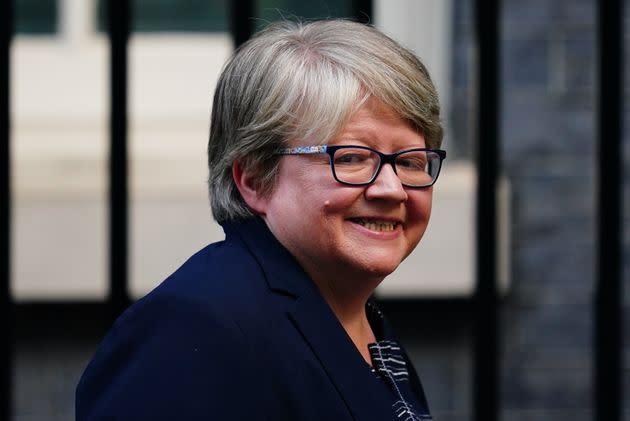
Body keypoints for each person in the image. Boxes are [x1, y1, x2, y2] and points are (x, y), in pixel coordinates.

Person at [76, 18, 445, 420]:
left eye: (409, 161)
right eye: (352, 158)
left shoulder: (364, 326)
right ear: (253, 179)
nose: (391, 189)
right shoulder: (195, 327)